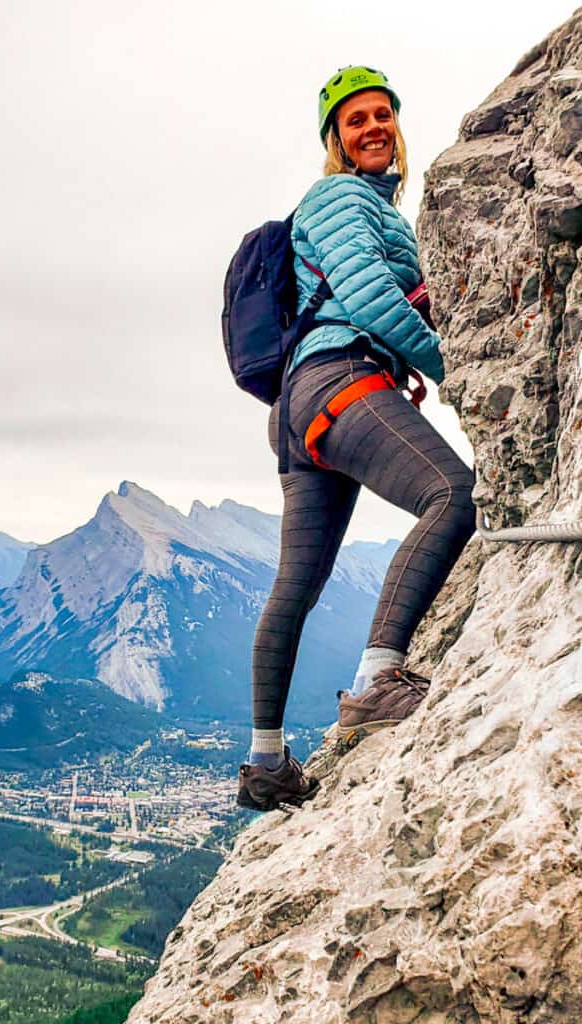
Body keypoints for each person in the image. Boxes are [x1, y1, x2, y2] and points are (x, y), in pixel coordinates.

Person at [237, 66, 476, 812]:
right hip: (340, 380)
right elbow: (370, 296)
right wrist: (457, 374)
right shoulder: (339, 197)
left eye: (383, 115)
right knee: (455, 493)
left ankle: (266, 764)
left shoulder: (369, 206)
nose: (372, 127)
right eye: (354, 120)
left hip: (302, 410)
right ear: (334, 140)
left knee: (296, 588)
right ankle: (379, 679)